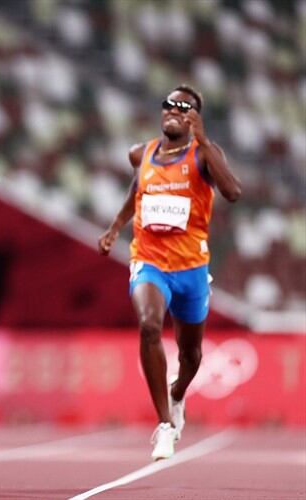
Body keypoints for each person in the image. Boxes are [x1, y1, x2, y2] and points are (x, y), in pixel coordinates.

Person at [98, 85, 241, 460]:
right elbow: (137, 189)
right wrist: (115, 226)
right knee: (148, 324)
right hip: (149, 261)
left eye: (185, 107)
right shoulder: (140, 153)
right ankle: (164, 424)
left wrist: (205, 139)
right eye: (169, 105)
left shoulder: (204, 155)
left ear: (196, 116)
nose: (174, 111)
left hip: (191, 267)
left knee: (191, 355)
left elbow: (233, 192)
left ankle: (178, 394)